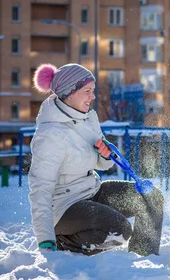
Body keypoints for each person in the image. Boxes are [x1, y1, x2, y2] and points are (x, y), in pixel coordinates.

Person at [29, 63, 163, 256]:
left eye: (93, 91)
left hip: (92, 191)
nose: (92, 96)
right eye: (87, 91)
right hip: (64, 208)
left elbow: (103, 164)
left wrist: (104, 154)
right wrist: (45, 239)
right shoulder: (50, 135)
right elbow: (40, 190)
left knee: (151, 197)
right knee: (119, 230)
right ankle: (64, 242)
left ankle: (145, 257)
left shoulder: (88, 119)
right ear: (69, 93)